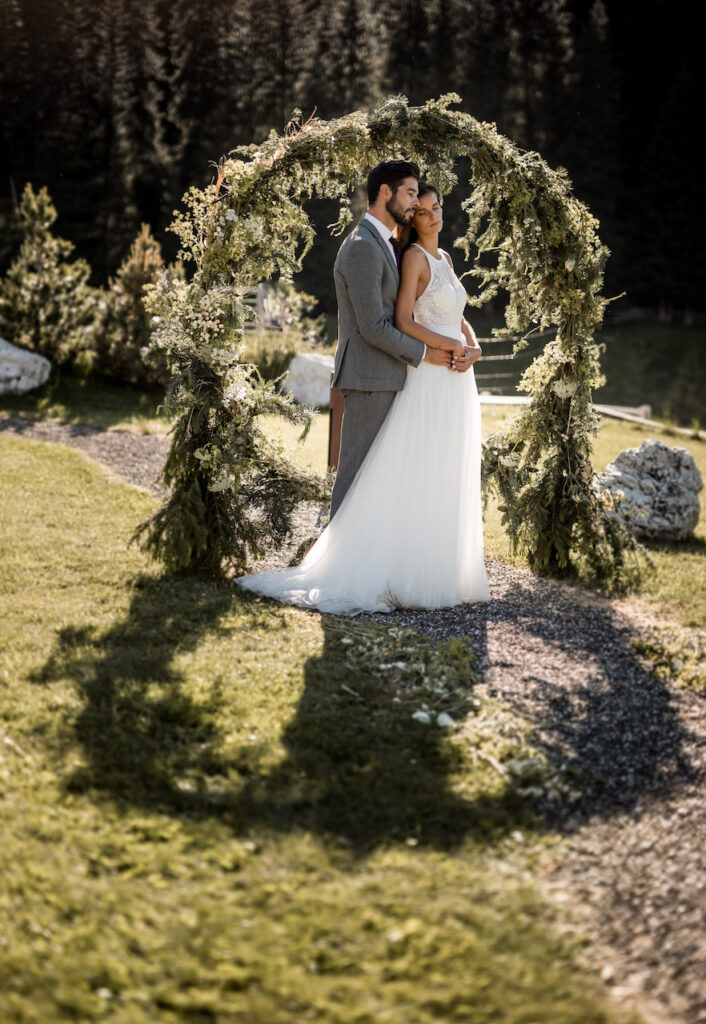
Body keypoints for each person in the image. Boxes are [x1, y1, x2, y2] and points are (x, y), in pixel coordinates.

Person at [235, 175, 490, 614]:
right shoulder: (363, 246)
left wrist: (470, 346)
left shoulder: (393, 243)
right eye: (412, 197)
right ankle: (345, 569)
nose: (419, 209)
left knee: (397, 474)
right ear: (387, 192)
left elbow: (452, 312)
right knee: (359, 478)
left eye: (427, 203)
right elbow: (378, 325)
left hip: (421, 373)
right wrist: (436, 351)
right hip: (383, 373)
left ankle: (411, 562)